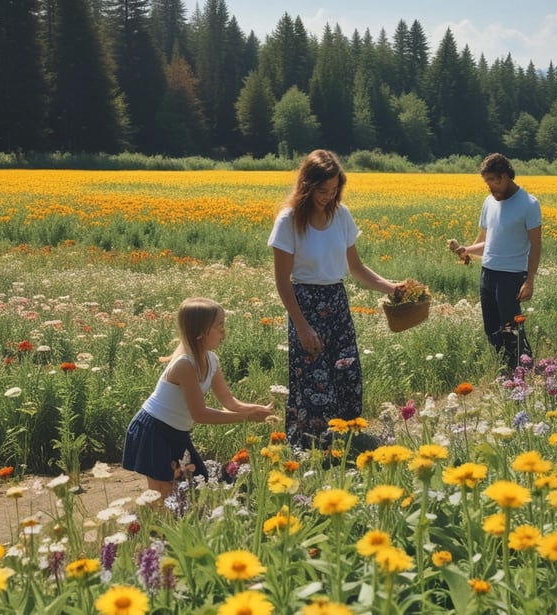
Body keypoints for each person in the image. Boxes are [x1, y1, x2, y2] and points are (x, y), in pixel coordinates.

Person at [268, 149, 404, 449]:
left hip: (337, 304)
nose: (328, 197)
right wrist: (302, 326)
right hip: (304, 304)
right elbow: (282, 281)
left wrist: (391, 288)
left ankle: (345, 441)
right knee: (313, 381)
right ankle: (309, 447)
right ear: (306, 185)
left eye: (333, 190)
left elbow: (356, 268)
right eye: (322, 190)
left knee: (347, 374)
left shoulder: (341, 215)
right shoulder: (288, 220)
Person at [122, 297, 274, 499]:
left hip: (177, 432)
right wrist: (246, 417)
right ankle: (152, 529)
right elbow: (200, 414)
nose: (224, 332)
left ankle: (167, 526)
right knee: (163, 490)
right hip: (154, 431)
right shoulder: (185, 365)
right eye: (219, 326)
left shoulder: (211, 359)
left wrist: (257, 409)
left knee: (194, 484)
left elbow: (229, 401)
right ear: (201, 332)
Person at [450, 153, 542, 372]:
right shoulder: (489, 202)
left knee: (511, 328)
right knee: (491, 328)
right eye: (486, 181)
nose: (490, 186)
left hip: (511, 276)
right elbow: (487, 243)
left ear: (505, 176)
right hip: (488, 274)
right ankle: (507, 368)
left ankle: (522, 369)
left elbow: (536, 246)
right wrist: (466, 251)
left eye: (493, 180)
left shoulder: (528, 204)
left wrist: (529, 281)